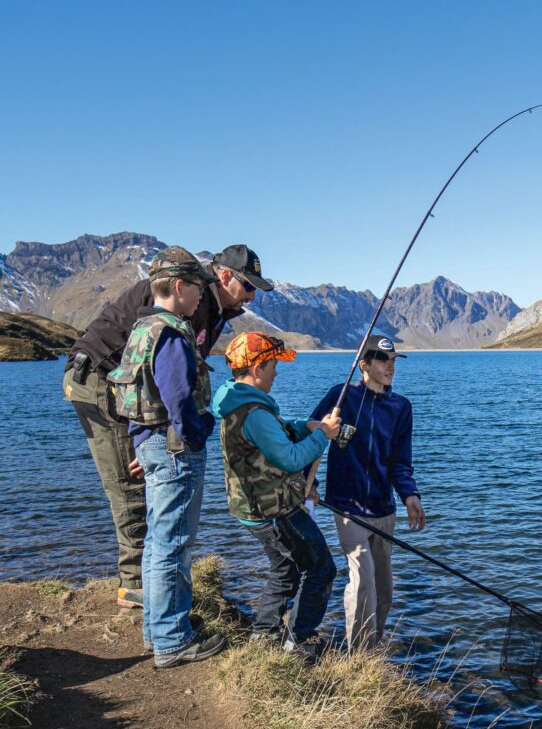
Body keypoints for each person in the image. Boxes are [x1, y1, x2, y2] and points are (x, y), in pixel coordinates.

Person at [62, 244, 272, 608]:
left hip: (129, 386)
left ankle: (155, 585)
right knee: (130, 481)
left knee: (147, 469)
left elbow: (175, 380)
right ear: (224, 276)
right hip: (98, 380)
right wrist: (150, 439)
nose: (251, 296)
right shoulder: (192, 297)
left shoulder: (211, 305)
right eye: (247, 286)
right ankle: (136, 588)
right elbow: (166, 382)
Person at [106, 246, 223, 667]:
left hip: (150, 444)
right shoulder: (172, 332)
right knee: (174, 543)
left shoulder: (143, 329)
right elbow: (177, 397)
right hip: (174, 449)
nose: (200, 297)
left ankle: (157, 630)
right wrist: (198, 434)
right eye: (197, 288)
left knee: (157, 543)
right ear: (178, 286)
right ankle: (173, 640)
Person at [211, 332, 341, 660]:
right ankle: (298, 641)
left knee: (285, 569)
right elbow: (290, 458)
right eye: (273, 366)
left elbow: (277, 431)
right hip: (274, 510)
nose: (276, 373)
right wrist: (323, 435)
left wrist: (305, 426)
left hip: (253, 508)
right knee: (322, 569)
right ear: (257, 368)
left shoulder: (238, 402)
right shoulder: (254, 412)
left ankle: (263, 638)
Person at [309, 334, 426, 651]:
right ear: (363, 364)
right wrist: (312, 481)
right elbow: (311, 433)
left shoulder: (401, 407)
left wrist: (410, 495)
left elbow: (401, 462)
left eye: (393, 360)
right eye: (382, 359)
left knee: (384, 590)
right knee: (362, 583)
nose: (390, 366)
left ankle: (372, 650)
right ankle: (357, 659)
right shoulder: (341, 395)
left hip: (385, 510)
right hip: (347, 508)